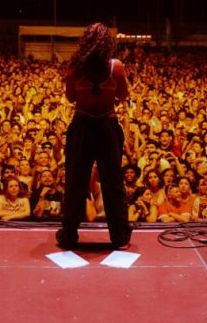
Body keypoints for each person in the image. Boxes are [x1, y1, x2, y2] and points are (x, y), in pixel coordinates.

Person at [56, 23, 131, 250]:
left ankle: (69, 235)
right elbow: (124, 95)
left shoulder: (74, 67)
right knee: (112, 183)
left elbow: (70, 98)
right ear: (108, 43)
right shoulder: (116, 67)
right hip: (107, 126)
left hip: (82, 126)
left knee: (75, 183)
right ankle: (119, 237)